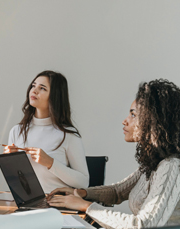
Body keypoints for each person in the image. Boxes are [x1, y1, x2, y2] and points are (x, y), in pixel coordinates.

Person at [48, 79, 180, 228]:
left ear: (154, 121)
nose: (125, 121)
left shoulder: (170, 166)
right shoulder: (153, 163)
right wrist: (80, 193)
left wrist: (85, 206)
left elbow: (143, 225)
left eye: (133, 115)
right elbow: (117, 192)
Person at [3, 70, 89, 193]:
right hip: (23, 203)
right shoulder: (17, 131)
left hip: (56, 205)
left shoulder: (68, 134)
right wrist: (8, 162)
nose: (34, 90)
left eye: (42, 88)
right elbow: (14, 180)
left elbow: (83, 182)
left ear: (55, 96)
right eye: (33, 86)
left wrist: (50, 163)